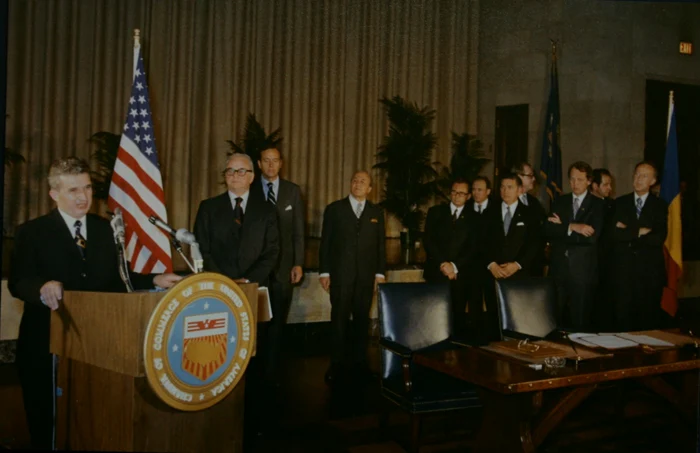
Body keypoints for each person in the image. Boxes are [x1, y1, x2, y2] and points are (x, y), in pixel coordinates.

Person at [9, 157, 182, 450]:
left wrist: (154, 280)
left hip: (97, 344)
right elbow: (18, 282)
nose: (83, 197)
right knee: (46, 422)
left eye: (87, 188)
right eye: (73, 190)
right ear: (54, 194)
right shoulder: (32, 232)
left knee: (90, 418)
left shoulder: (105, 230)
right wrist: (41, 287)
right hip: (47, 342)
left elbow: (121, 278)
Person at [319, 171, 386, 384]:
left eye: (363, 182)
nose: (358, 184)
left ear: (369, 189)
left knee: (361, 320)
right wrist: (324, 271)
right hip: (341, 275)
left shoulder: (376, 213)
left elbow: (380, 246)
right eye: (355, 180)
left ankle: (360, 364)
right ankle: (336, 364)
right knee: (338, 319)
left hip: (366, 278)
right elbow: (326, 243)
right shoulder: (334, 209)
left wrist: (380, 273)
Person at [254, 146, 305, 383]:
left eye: (275, 161)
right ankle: (254, 369)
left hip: (284, 267)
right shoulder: (250, 190)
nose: (271, 165)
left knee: (278, 321)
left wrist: (298, 263)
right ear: (259, 163)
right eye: (266, 160)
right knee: (256, 320)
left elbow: (298, 232)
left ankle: (272, 372)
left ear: (281, 163)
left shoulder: (292, 191)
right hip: (255, 268)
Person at [193, 153, 279, 285]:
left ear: (252, 177)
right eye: (230, 171)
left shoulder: (267, 210)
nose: (235, 175)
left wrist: (248, 280)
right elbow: (201, 248)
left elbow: (271, 251)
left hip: (255, 285)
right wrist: (223, 281)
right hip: (218, 285)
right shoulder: (208, 208)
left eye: (241, 171)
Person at [545, 162, 605, 330]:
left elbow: (591, 238)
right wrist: (572, 227)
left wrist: (562, 228)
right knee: (553, 320)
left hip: (583, 273)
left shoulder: (598, 205)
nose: (575, 183)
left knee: (580, 322)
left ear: (589, 181)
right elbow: (549, 230)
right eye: (572, 179)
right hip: (559, 270)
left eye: (579, 179)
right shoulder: (560, 202)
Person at [611, 161, 668, 331]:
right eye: (636, 174)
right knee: (622, 323)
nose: (638, 179)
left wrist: (627, 230)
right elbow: (613, 235)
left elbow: (657, 238)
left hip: (649, 274)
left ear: (653, 181)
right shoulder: (619, 203)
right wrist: (639, 231)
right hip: (623, 273)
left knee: (647, 324)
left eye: (644, 176)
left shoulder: (660, 206)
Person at [423, 179, 477, 337]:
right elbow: (429, 241)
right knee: (433, 318)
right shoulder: (435, 212)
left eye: (461, 193)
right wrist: (443, 264)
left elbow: (473, 248)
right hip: (436, 273)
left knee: (457, 319)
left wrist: (454, 266)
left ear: (468, 196)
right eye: (454, 191)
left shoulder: (475, 218)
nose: (456, 196)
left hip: (460, 276)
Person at [483, 173, 540, 323]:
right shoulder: (489, 213)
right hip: (493, 274)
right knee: (493, 320)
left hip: (519, 275)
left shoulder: (530, 214)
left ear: (519, 190)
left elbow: (535, 244)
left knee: (518, 320)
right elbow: (481, 242)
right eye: (502, 187)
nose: (505, 191)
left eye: (510, 187)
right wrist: (491, 264)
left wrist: (517, 265)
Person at [465, 176, 499, 341]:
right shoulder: (466, 209)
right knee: (474, 303)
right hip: (471, 266)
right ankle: (474, 339)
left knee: (493, 303)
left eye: (480, 190)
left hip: (491, 265)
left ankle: (493, 339)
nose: (476, 193)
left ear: (488, 192)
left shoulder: (497, 209)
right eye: (473, 189)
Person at [591, 168, 616, 330]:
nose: (610, 188)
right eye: (605, 184)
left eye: (610, 184)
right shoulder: (584, 205)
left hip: (607, 264)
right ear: (594, 186)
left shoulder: (612, 206)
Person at [511, 162, 546, 275]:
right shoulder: (506, 203)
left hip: (533, 267)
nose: (534, 178)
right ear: (518, 177)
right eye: (530, 175)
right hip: (511, 268)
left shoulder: (534, 202)